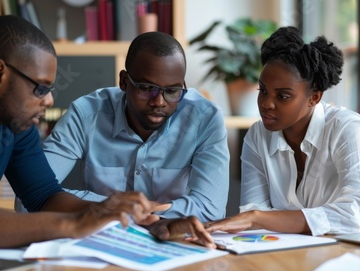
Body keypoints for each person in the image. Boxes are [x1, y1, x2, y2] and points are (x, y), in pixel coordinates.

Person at [0, 15, 215, 249]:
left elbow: (45, 197)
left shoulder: (15, 127)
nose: (49, 100)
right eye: (40, 87)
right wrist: (72, 226)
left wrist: (138, 220)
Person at [205, 26, 360, 236]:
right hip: (291, 250)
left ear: (314, 97)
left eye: (282, 96)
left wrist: (257, 218)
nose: (266, 104)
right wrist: (256, 218)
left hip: (358, 247)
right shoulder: (257, 136)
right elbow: (253, 215)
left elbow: (358, 213)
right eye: (262, 90)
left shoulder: (345, 127)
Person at [39, 31, 230, 223]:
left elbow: (211, 209)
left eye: (172, 91)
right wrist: (112, 206)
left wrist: (140, 211)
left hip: (171, 239)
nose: (159, 102)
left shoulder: (205, 119)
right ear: (123, 81)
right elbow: (30, 197)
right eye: (147, 88)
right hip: (102, 238)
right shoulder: (86, 114)